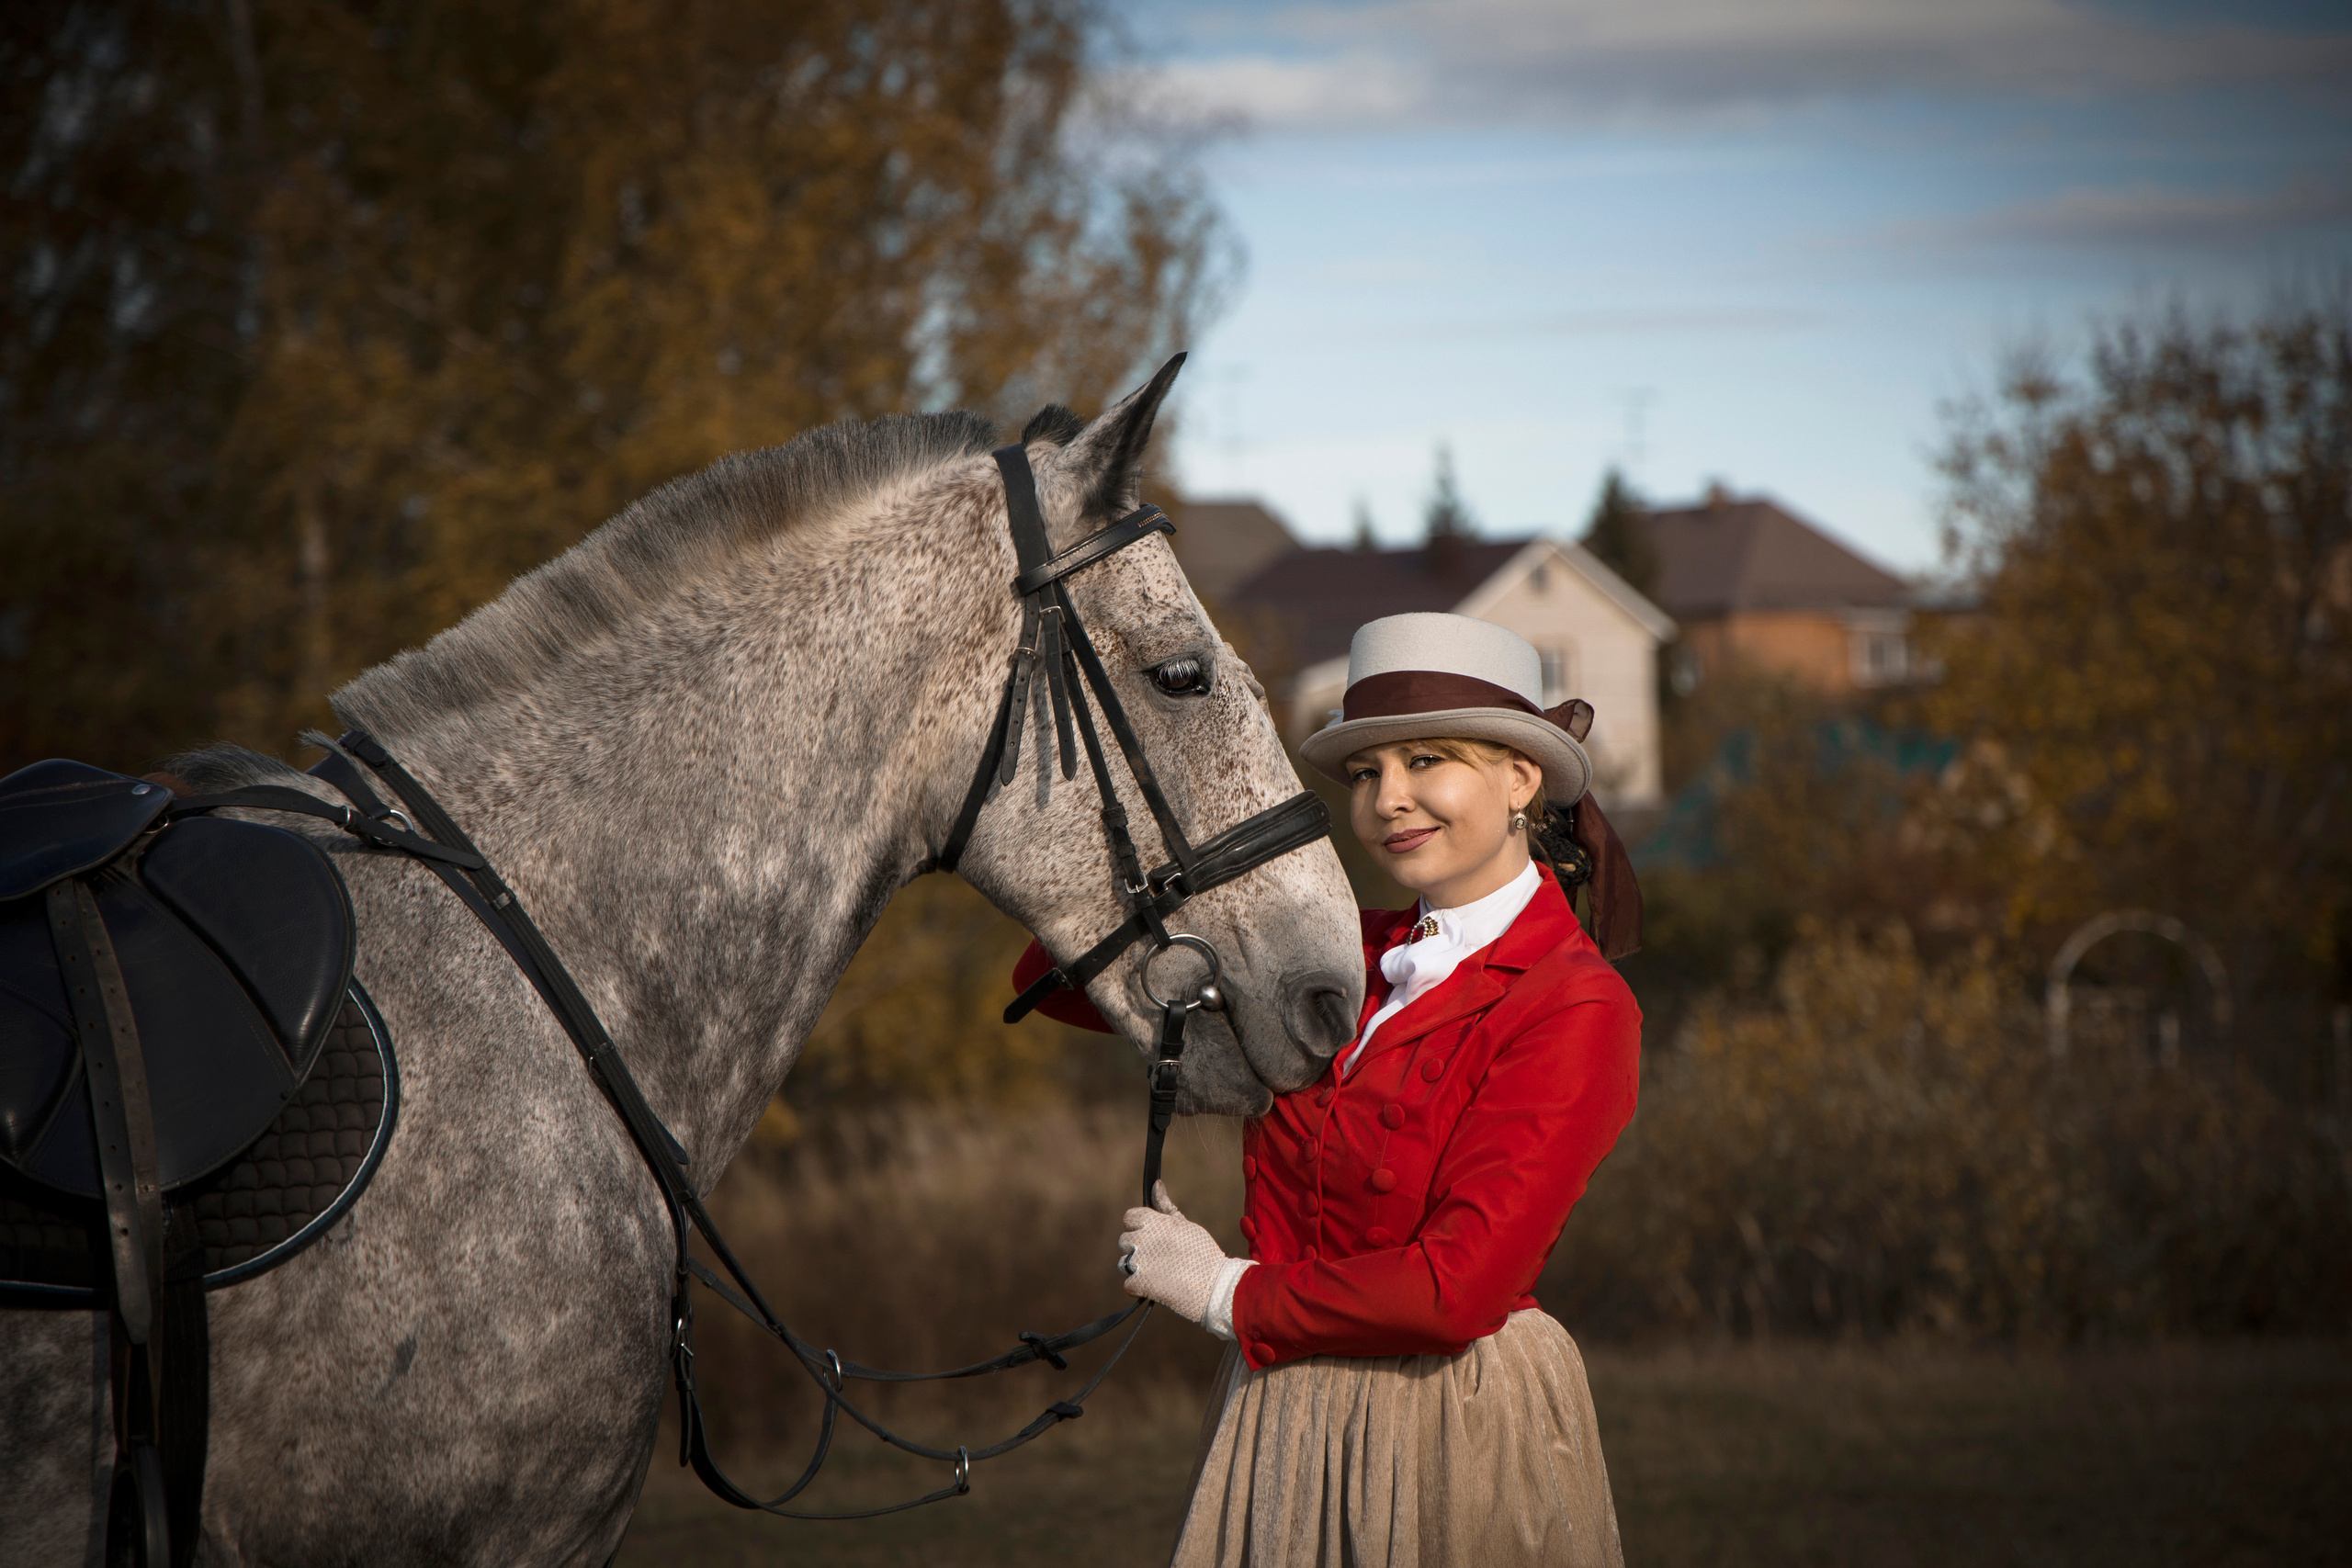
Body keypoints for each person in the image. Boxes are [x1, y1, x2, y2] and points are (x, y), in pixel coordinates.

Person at [1012, 612, 1644, 1567]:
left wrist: (1224, 1290)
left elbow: (1454, 1290)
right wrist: (1190, 851)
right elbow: (1052, 982)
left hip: (1447, 1417)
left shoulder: (1575, 1003)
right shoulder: (1336, 951)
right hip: (1281, 1408)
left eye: (1427, 760)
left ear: (1521, 778)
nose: (1389, 799)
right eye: (1365, 773)